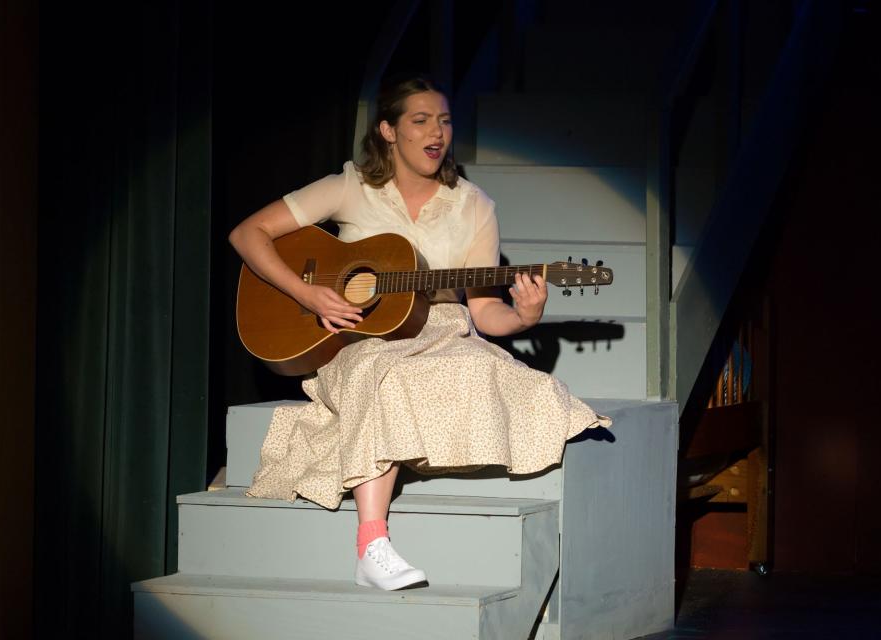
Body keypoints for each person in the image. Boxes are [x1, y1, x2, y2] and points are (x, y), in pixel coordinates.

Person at [228, 74, 611, 591]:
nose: (437, 132)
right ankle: (371, 546)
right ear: (388, 130)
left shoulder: (473, 205)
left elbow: (484, 312)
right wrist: (306, 292)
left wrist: (524, 316)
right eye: (421, 120)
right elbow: (247, 233)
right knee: (380, 374)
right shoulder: (350, 187)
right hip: (360, 340)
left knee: (515, 383)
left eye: (445, 121)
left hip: (442, 334)